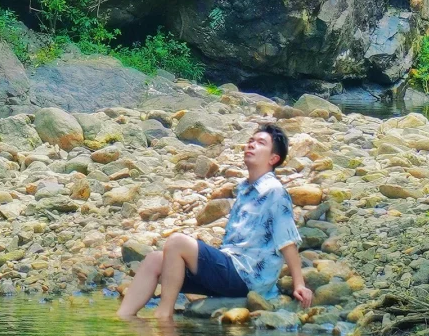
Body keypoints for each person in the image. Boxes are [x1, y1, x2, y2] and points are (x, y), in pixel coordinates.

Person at [117, 121, 314, 322]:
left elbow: (287, 240)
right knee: (154, 260)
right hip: (229, 267)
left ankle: (163, 316)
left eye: (261, 143)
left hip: (246, 276)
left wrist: (299, 284)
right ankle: (122, 320)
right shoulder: (245, 190)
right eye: (250, 141)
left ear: (274, 158)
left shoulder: (274, 191)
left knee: (176, 242)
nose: (251, 145)